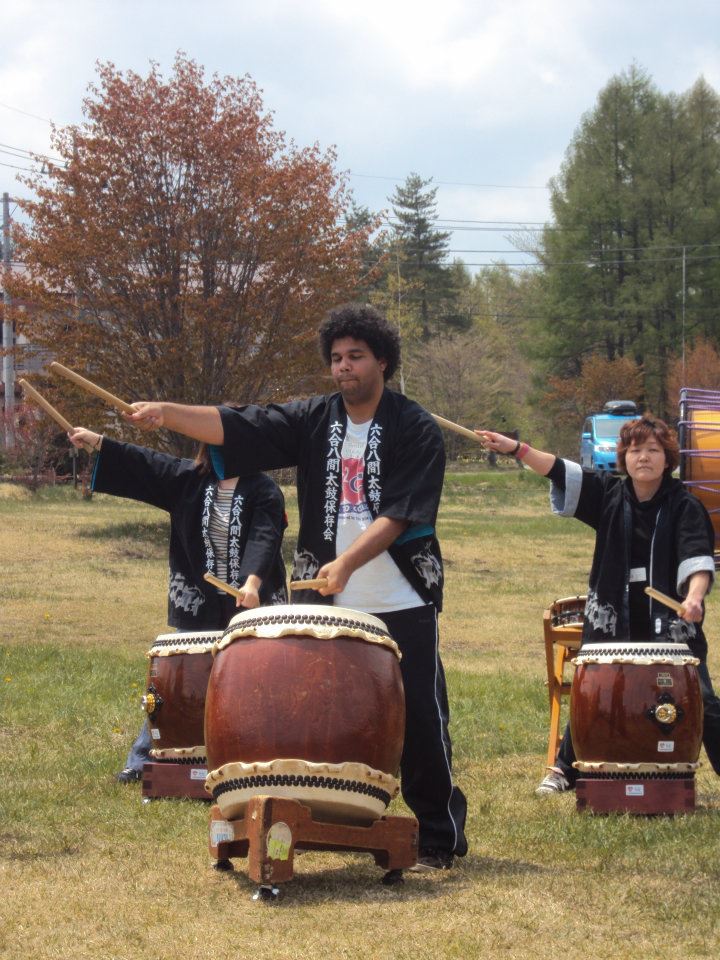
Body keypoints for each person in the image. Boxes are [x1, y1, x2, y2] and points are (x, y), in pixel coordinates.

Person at [121, 302, 468, 870]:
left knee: (423, 722)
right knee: (320, 717)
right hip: (325, 603)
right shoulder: (314, 419)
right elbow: (242, 425)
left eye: (355, 356)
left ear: (383, 360)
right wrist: (167, 414)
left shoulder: (416, 427)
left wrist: (350, 561)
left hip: (400, 598)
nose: (343, 368)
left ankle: (438, 835)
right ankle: (317, 821)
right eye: (335, 358)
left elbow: (402, 513)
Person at [475, 417, 720, 795]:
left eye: (653, 450)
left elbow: (696, 559)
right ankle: (563, 770)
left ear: (667, 458)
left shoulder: (685, 505)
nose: (643, 458)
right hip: (612, 618)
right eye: (636, 450)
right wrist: (515, 448)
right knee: (597, 693)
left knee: (700, 697)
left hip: (670, 626)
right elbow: (559, 469)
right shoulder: (609, 495)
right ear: (624, 457)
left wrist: (693, 598)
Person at [68, 426, 288, 783]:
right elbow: (146, 463)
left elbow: (265, 535)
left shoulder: (264, 490)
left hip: (252, 602)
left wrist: (251, 583)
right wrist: (99, 443)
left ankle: (260, 761)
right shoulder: (188, 480)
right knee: (176, 682)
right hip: (200, 600)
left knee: (256, 683)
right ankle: (143, 761)